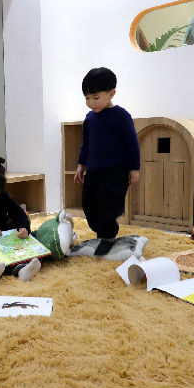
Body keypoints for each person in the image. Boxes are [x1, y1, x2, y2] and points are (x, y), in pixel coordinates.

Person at [74, 67, 141, 256]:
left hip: (116, 173)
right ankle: (103, 232)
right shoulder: (89, 118)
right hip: (94, 171)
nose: (91, 103)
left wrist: (134, 168)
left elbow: (132, 143)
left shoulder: (121, 116)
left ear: (111, 93)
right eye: (87, 98)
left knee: (108, 207)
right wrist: (80, 166)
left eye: (95, 98)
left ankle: (107, 238)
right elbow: (86, 145)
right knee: (88, 204)